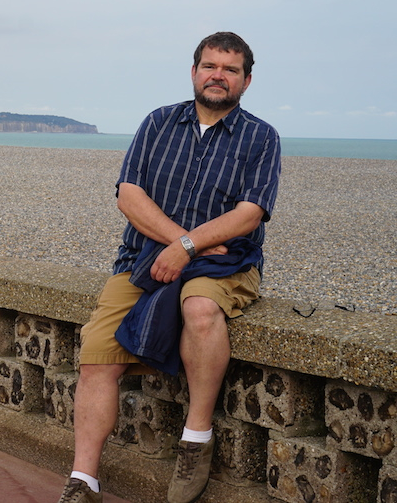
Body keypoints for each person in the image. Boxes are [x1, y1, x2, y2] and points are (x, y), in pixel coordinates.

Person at [57, 32, 281, 503]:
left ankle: (195, 440)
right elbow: (128, 194)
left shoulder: (261, 137)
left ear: (247, 80)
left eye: (230, 69)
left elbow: (250, 213)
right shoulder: (158, 122)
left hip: (227, 264)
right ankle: (83, 480)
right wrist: (182, 242)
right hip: (144, 259)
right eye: (210, 65)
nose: (218, 75)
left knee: (200, 310)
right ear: (194, 70)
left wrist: (188, 248)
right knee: (97, 353)